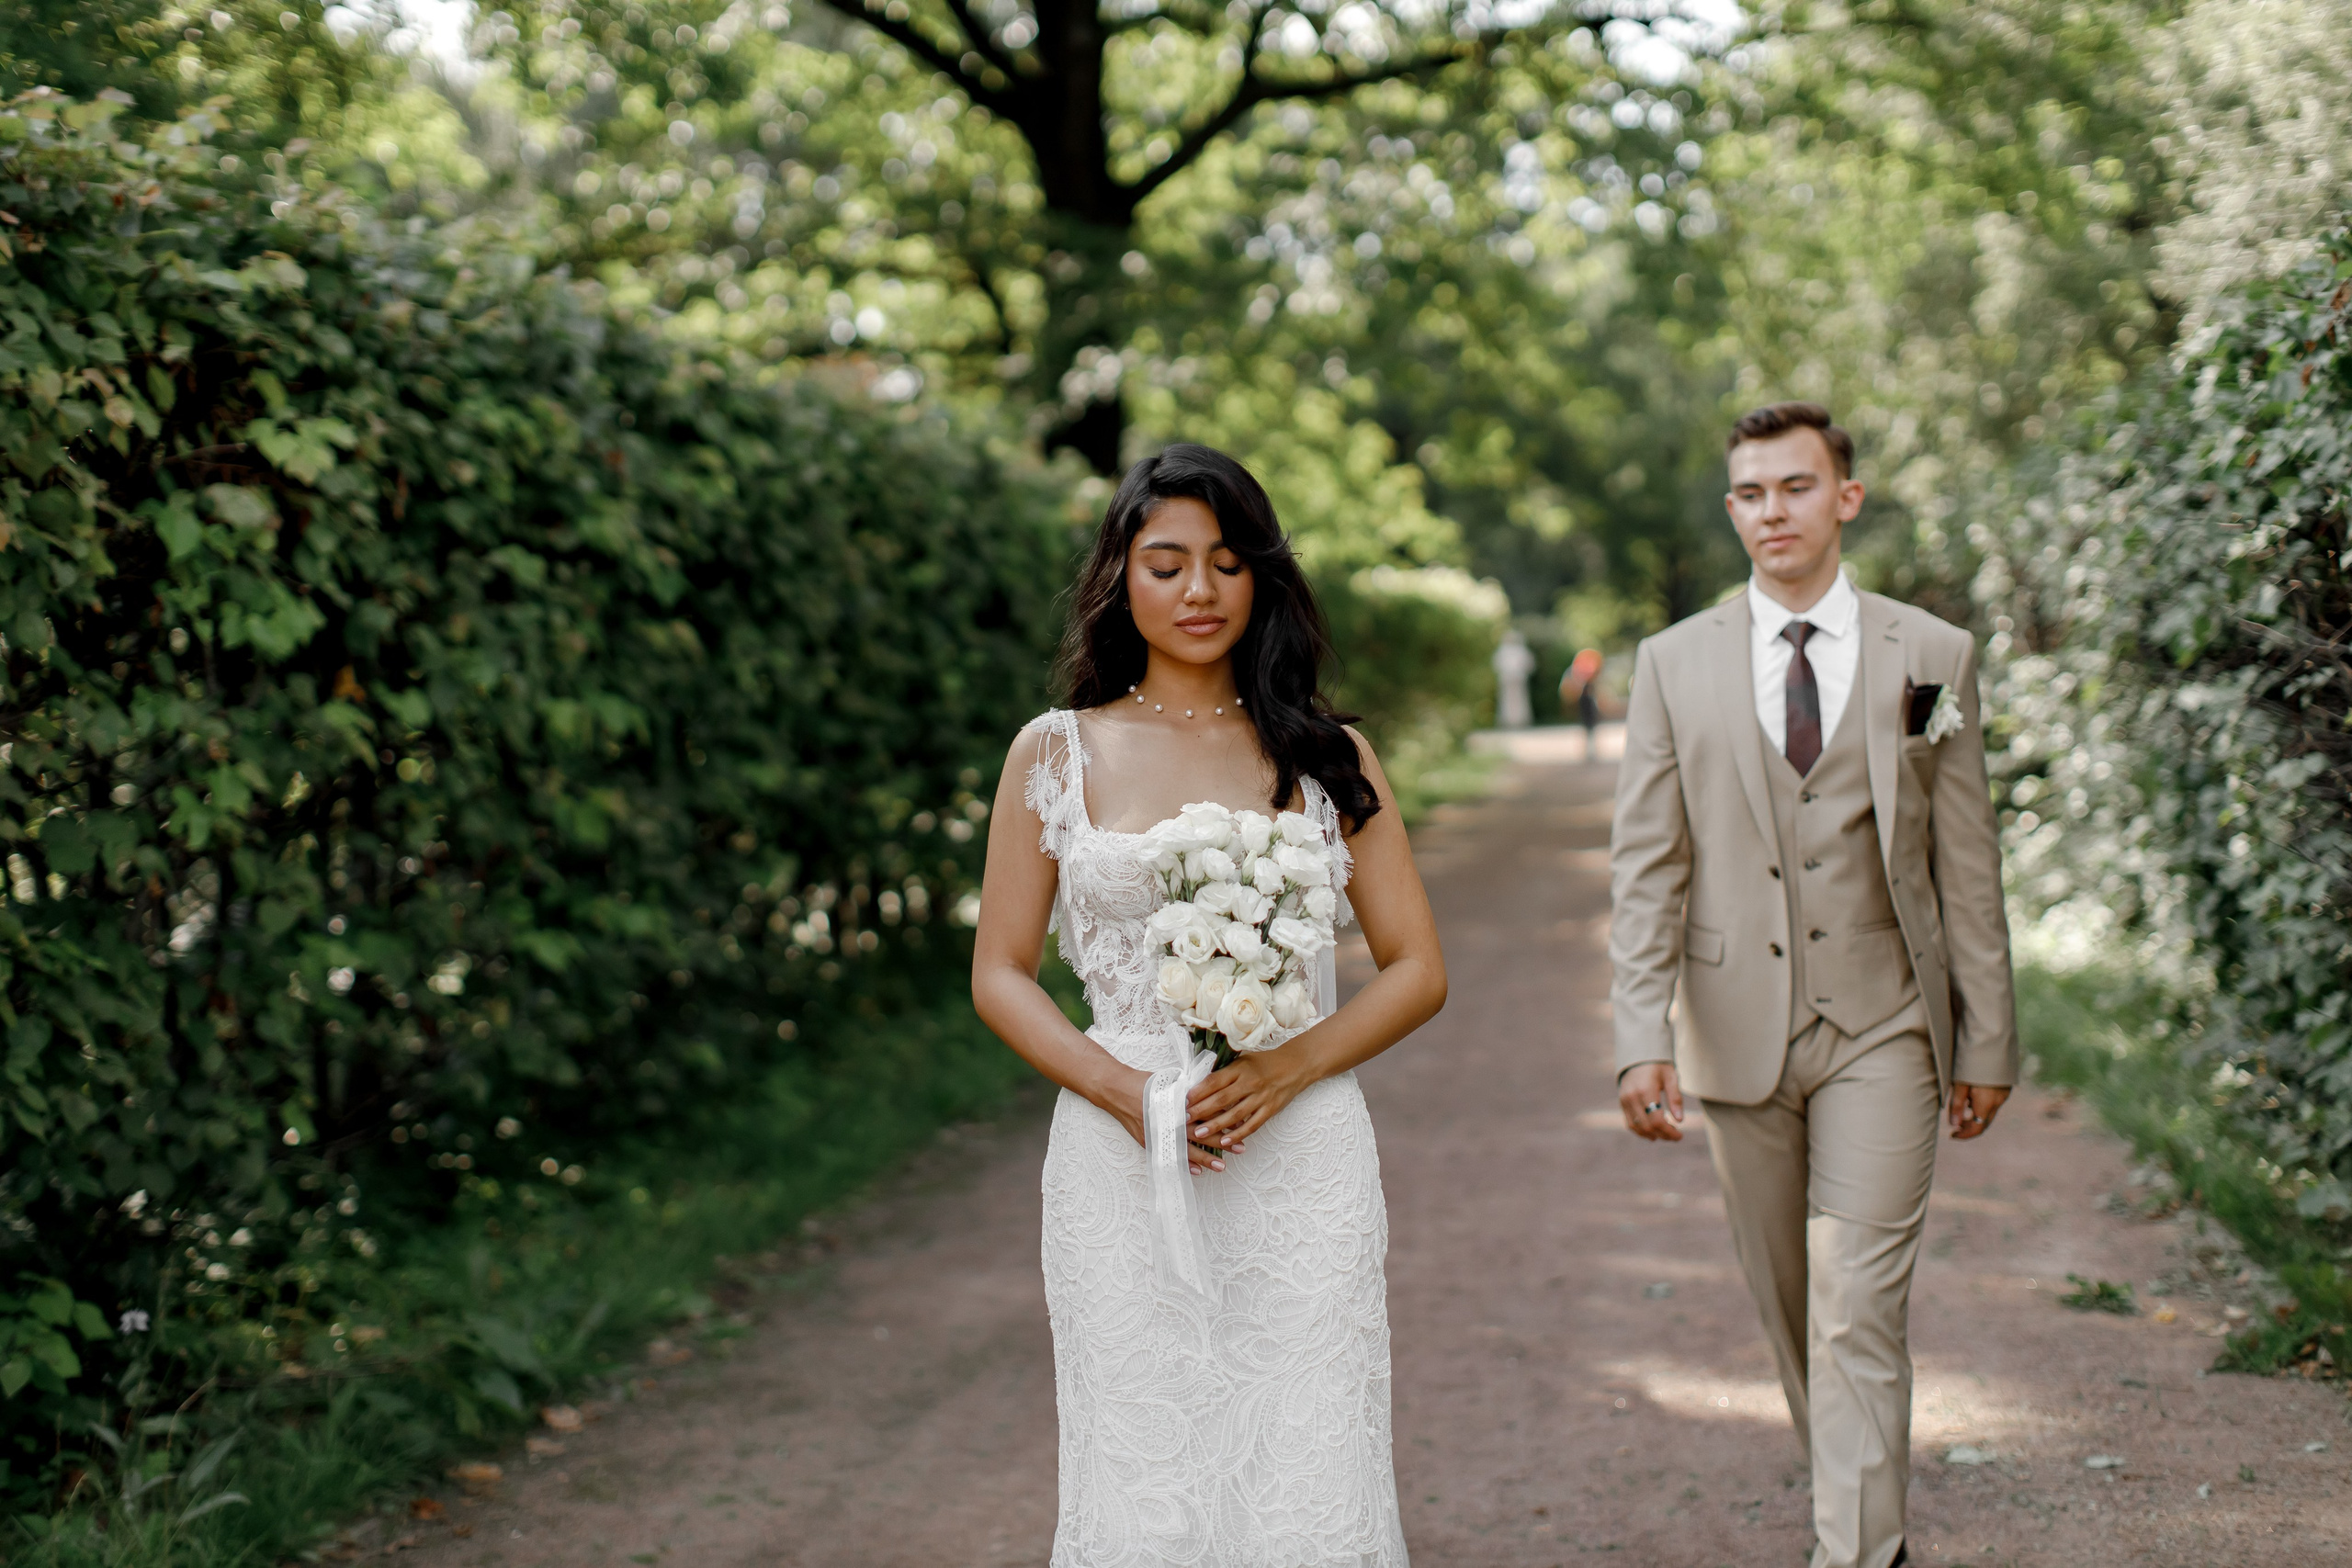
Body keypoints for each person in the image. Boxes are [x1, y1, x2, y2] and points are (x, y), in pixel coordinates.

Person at [972, 443, 1447, 1567]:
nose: (1198, 591)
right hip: (1116, 1149)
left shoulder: (1327, 755)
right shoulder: (1054, 752)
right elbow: (999, 968)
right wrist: (1126, 1092)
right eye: (1168, 562)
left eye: (1228, 564)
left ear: (1262, 580)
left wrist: (1290, 1068)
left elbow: (1417, 966)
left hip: (1301, 1147)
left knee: (1307, 1450)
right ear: (1120, 577)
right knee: (1143, 1451)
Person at [1605, 402, 2016, 1568]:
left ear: (1845, 497)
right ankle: (1847, 1476)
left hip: (1886, 1022)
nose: (1770, 510)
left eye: (1795, 486)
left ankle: (1858, 1551)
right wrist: (1642, 1033)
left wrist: (1987, 1038)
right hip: (1736, 1031)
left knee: (1852, 1305)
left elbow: (1963, 856)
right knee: (1793, 1307)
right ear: (1732, 507)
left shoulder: (1928, 659)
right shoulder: (1671, 665)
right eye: (1750, 492)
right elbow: (1647, 869)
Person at [1493, 627, 1536, 729]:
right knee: (1508, 700)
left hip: (1516, 679)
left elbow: (1528, 665)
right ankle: (1509, 720)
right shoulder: (1506, 651)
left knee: (1518, 699)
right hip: (1510, 679)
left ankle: (1519, 720)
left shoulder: (1515, 650)